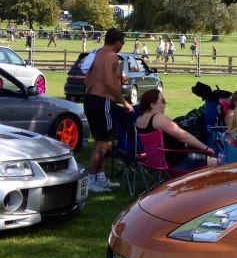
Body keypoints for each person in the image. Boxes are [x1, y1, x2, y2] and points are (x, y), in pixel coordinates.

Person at [83, 28, 132, 192]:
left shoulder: (97, 53)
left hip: (91, 99)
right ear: (117, 42)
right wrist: (124, 102)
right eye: (122, 42)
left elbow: (87, 79)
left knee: (100, 140)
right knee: (105, 142)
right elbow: (109, 83)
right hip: (102, 101)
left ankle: (100, 176)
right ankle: (91, 180)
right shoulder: (112, 56)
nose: (122, 46)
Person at [135, 89, 217, 170]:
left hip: (157, 165)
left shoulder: (139, 120)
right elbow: (183, 136)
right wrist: (206, 149)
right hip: (178, 163)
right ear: (152, 105)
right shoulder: (158, 118)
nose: (165, 104)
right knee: (219, 161)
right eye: (162, 101)